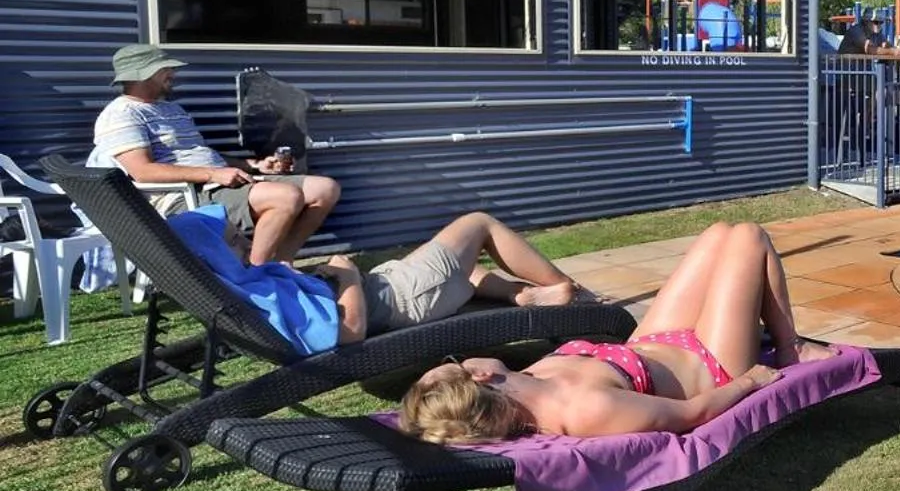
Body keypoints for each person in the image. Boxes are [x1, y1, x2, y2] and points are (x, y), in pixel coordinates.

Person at [401, 222, 837, 442]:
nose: (464, 359)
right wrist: (751, 380)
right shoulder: (583, 409)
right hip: (710, 364)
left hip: (652, 344)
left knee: (719, 233)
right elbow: (694, 416)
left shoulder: (521, 382)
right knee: (748, 236)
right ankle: (790, 346)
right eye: (457, 365)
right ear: (478, 378)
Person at [167, 205, 591, 355]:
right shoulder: (262, 298)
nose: (243, 238)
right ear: (213, 256)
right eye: (231, 239)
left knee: (468, 270)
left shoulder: (237, 287)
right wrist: (347, 274)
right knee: (477, 224)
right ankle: (578, 299)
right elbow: (350, 334)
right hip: (400, 301)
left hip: (391, 290)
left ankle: (533, 296)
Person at [92, 44, 340, 264]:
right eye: (165, 69)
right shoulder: (122, 114)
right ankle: (255, 275)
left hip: (213, 183)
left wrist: (254, 165)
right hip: (184, 195)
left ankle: (281, 263)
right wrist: (213, 174)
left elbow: (199, 154)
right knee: (286, 196)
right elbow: (142, 171)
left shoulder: (170, 108)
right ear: (142, 74)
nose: (173, 74)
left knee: (325, 189)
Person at [836, 11, 900, 57]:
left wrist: (893, 48)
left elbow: (885, 44)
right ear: (866, 22)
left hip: (862, 72)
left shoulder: (876, 33)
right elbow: (870, 50)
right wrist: (892, 51)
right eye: (876, 22)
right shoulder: (856, 30)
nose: (879, 24)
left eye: (881, 22)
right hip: (846, 72)